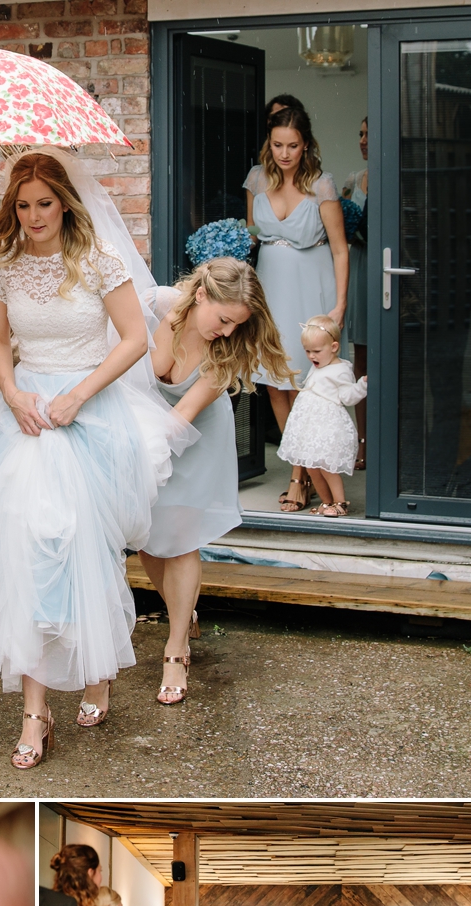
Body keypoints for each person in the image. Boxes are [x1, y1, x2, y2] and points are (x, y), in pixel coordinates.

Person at [0, 149, 195, 765]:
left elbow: (135, 340)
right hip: (28, 419)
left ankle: (98, 670)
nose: (34, 216)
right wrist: (12, 394)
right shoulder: (6, 265)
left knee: (84, 549)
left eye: (44, 203)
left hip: (91, 412)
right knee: (26, 553)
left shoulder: (98, 261)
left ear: (65, 202)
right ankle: (35, 710)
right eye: (23, 205)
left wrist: (79, 394)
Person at [137, 258, 293, 703]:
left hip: (195, 435)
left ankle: (176, 647)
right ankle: (183, 613)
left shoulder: (228, 349)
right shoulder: (155, 306)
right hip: (146, 427)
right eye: (224, 320)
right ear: (202, 294)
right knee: (148, 539)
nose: (227, 331)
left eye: (236, 324)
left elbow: (180, 416)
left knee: (181, 539)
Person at [244, 106, 349, 513]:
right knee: (275, 382)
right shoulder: (256, 179)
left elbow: (340, 250)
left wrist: (339, 306)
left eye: (293, 145)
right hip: (271, 288)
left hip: (312, 287)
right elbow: (250, 237)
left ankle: (301, 479)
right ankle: (299, 469)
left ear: (306, 145)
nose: (285, 153)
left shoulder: (321, 185)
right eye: (277, 145)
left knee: (310, 389)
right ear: (268, 144)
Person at [277, 316, 368, 517]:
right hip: (310, 427)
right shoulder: (319, 364)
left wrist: (362, 385)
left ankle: (340, 502)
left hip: (326, 427)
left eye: (317, 351)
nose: (311, 356)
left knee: (326, 467)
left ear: (334, 347)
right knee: (311, 467)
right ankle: (327, 503)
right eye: (307, 351)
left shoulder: (341, 369)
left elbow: (347, 396)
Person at [340, 117, 369, 470]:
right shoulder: (351, 181)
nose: (363, 139)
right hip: (360, 265)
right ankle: (362, 444)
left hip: (392, 264)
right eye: (360, 133)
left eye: (368, 133)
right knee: (360, 358)